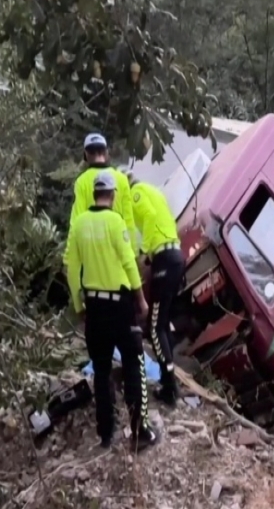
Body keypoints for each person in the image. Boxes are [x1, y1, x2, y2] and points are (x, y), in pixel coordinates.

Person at [66, 170, 160, 451]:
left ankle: (106, 435)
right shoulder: (116, 222)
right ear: (113, 195)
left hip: (93, 307)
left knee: (101, 370)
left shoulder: (79, 225)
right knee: (134, 363)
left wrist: (78, 304)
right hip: (119, 305)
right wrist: (141, 299)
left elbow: (72, 270)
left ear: (95, 195)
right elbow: (130, 264)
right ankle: (140, 431)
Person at [126, 170, 183, 406]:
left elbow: (148, 218)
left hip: (164, 259)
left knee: (155, 325)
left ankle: (169, 386)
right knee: (163, 322)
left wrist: (143, 254)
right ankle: (170, 378)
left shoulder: (137, 193)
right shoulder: (154, 192)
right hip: (175, 256)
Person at [65, 133, 139, 265]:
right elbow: (129, 222)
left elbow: (75, 223)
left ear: (86, 155)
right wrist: (133, 254)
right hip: (119, 253)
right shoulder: (121, 180)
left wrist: (70, 257)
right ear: (106, 152)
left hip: (93, 256)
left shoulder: (81, 182)